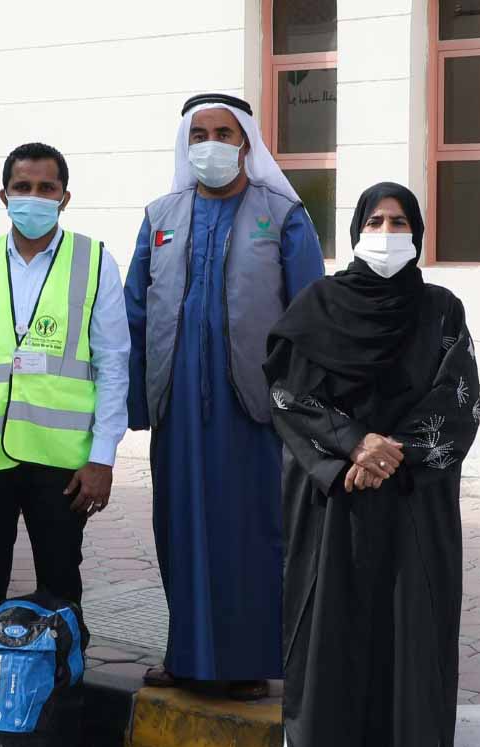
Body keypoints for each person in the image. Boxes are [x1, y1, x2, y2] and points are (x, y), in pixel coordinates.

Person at [266, 182, 479, 747]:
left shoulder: (441, 309)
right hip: (332, 506)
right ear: (354, 229)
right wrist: (355, 443)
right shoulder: (317, 306)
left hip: (413, 509)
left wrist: (392, 453)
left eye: (400, 222)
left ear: (417, 232)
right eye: (376, 221)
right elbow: (288, 393)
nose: (388, 232)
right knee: (327, 648)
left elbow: (458, 399)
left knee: (405, 653)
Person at [0, 142, 129, 747]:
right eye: (23, 185)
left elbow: (113, 366)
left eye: (48, 188)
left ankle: (61, 731)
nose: (35, 197)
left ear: (65, 198)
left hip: (60, 463)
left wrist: (102, 458)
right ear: (3, 195)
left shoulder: (93, 261)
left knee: (61, 594)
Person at [125, 92, 326, 700]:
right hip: (180, 407)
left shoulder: (283, 215)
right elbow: (135, 310)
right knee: (180, 528)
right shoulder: (160, 215)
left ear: (245, 142)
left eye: (223, 132)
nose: (210, 143)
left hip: (253, 407)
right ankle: (185, 655)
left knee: (252, 531)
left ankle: (247, 661)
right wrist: (139, 401)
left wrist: (303, 408)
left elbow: (310, 315)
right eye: (199, 133)